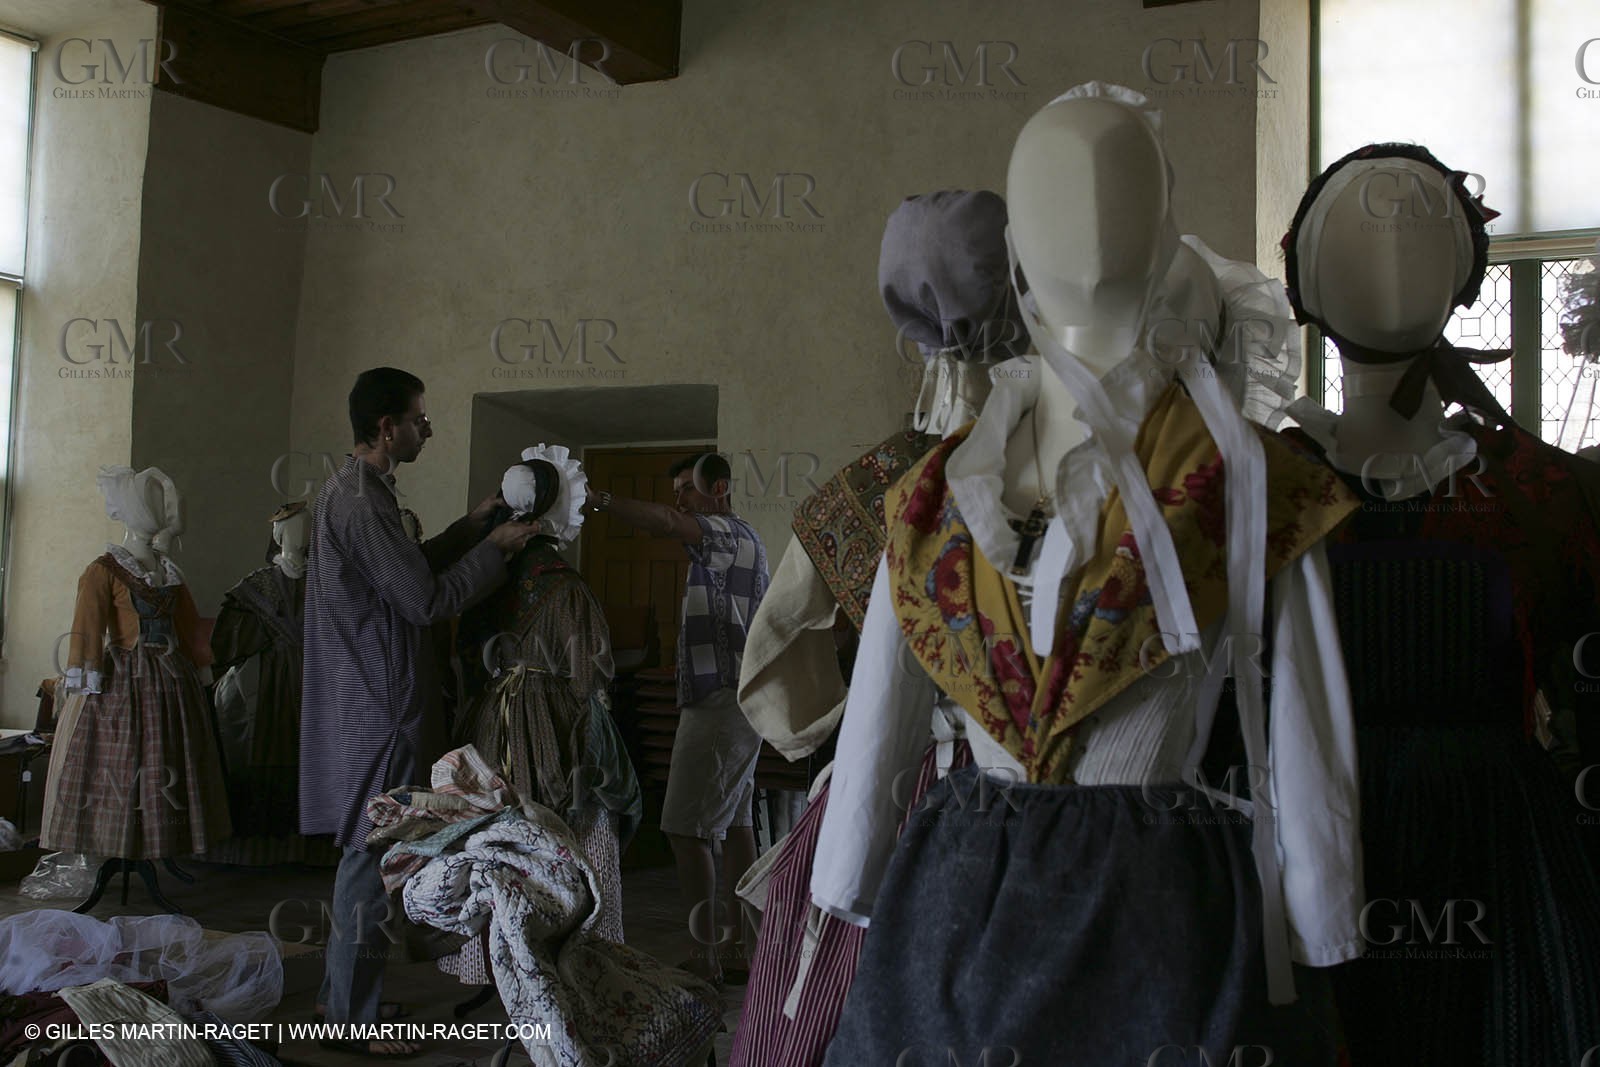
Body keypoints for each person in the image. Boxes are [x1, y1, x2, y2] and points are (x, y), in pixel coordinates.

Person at [298, 367, 541, 1057]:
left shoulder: (359, 490)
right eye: (419, 419)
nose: (427, 430)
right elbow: (425, 601)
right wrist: (493, 552)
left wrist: (470, 527)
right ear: (387, 428)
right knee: (372, 858)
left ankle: (340, 999)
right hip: (381, 706)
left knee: (368, 854)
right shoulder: (362, 501)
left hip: (372, 696)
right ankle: (351, 1020)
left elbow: (407, 571)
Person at [588, 452, 771, 984]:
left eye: (687, 489)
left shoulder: (724, 532)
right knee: (736, 825)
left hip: (720, 699)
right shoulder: (746, 538)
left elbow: (668, 523)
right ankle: (741, 950)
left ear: (719, 488)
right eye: (676, 492)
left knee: (683, 829)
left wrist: (599, 500)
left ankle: (705, 956)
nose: (679, 501)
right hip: (741, 698)